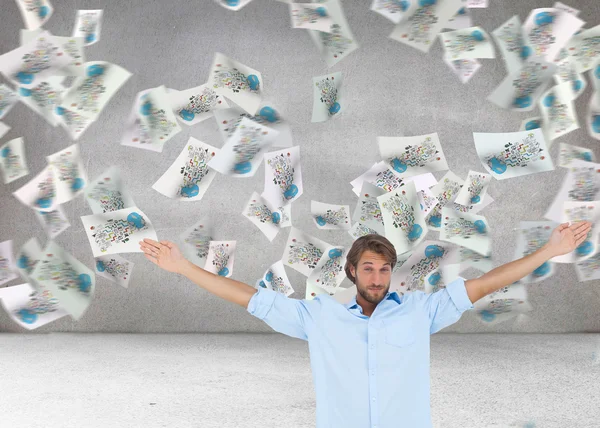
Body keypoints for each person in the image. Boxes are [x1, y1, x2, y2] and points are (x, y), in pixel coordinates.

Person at [139, 220, 591, 428]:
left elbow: (486, 283)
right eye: (368, 268)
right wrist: (183, 268)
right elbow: (251, 299)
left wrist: (548, 252)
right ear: (352, 271)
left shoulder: (421, 310)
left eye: (384, 269)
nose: (377, 278)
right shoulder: (319, 316)